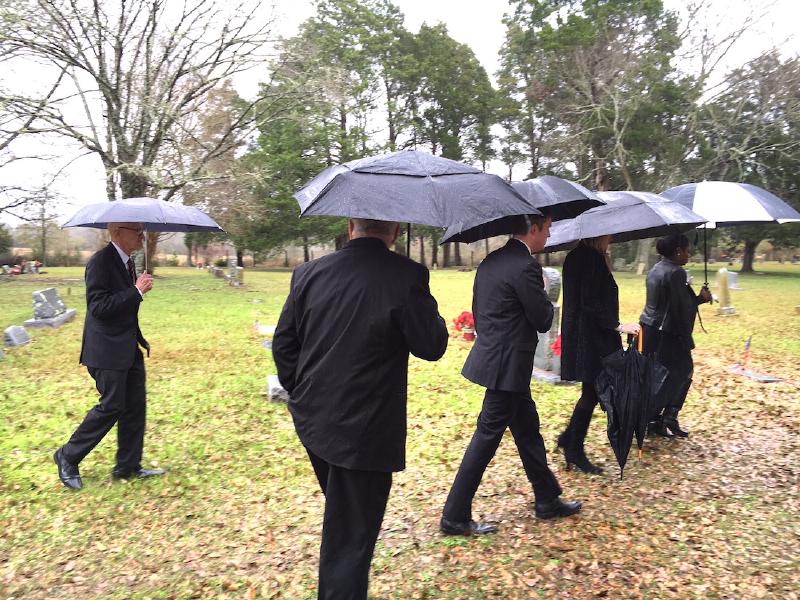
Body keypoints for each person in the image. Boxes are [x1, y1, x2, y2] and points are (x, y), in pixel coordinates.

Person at [273, 218, 448, 600]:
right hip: (364, 434)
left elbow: (284, 344)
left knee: (347, 521)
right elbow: (432, 345)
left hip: (315, 423)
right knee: (349, 541)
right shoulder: (406, 275)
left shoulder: (310, 272)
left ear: (351, 225)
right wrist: (428, 308)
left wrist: (302, 394)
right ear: (396, 232)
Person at [440, 212, 581, 537]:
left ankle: (547, 498)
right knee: (486, 436)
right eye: (547, 229)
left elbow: (480, 312)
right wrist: (543, 290)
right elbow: (543, 319)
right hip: (507, 366)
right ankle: (454, 515)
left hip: (501, 361)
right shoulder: (526, 266)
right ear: (532, 229)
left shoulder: (492, 261)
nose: (548, 236)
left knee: (528, 430)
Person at [53, 222, 164, 490]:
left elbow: (123, 308)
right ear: (116, 232)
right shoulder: (100, 263)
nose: (141, 235)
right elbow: (99, 308)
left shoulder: (128, 261)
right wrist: (136, 291)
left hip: (128, 347)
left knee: (135, 406)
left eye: (141, 231)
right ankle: (67, 456)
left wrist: (135, 293)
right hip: (106, 350)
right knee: (112, 405)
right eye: (135, 230)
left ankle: (127, 467)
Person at [557, 236, 639, 474]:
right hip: (592, 338)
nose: (611, 238)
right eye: (608, 235)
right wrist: (618, 326)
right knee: (592, 393)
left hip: (583, 336)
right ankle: (574, 448)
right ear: (598, 234)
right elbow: (591, 303)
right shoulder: (590, 259)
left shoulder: (578, 256)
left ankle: (569, 439)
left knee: (590, 392)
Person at [639, 234, 712, 437]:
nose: (689, 254)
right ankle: (662, 417)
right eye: (687, 250)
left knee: (657, 375)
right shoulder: (676, 272)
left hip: (649, 328)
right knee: (682, 371)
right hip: (668, 333)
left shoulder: (655, 268)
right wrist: (701, 299)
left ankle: (654, 420)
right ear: (678, 251)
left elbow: (669, 302)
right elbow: (680, 309)